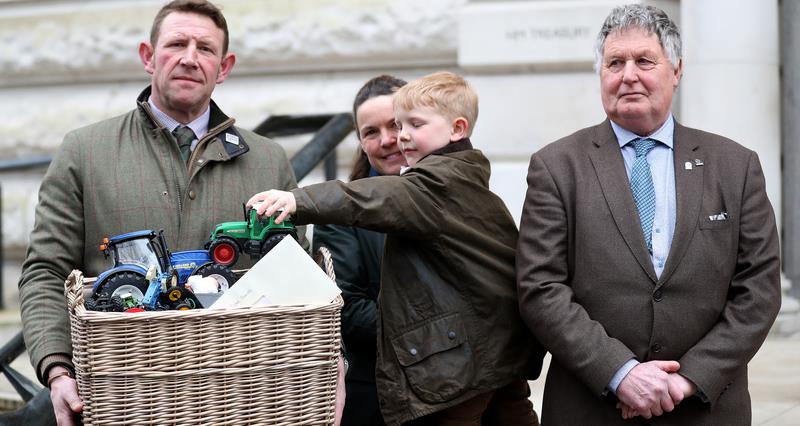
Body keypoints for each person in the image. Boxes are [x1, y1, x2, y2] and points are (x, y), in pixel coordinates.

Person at [17, 1, 312, 425]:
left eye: (205, 49)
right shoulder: (84, 151)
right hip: (120, 392)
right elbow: (46, 270)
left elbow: (298, 280)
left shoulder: (268, 160)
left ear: (224, 66)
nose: (190, 58)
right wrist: (57, 368)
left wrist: (330, 363)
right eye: (176, 44)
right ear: (148, 56)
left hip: (240, 395)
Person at [516, 4, 781, 425]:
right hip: (592, 406)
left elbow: (759, 289)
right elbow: (540, 286)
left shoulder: (735, 165)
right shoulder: (556, 166)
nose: (628, 75)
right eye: (614, 63)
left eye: (644, 61)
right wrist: (620, 373)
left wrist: (689, 378)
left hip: (705, 407)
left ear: (676, 70)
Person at [249, 71, 543, 426]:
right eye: (375, 131)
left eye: (409, 125)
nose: (398, 138)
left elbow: (369, 196)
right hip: (493, 355)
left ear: (456, 128)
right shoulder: (468, 177)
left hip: (459, 368)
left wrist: (297, 199)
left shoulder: (432, 184)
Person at [312, 74, 408, 426]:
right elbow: (346, 311)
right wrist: (433, 333)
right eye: (371, 132)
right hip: (378, 398)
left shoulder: (460, 199)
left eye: (396, 125)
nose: (387, 140)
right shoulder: (340, 214)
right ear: (361, 142)